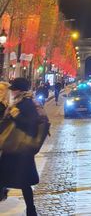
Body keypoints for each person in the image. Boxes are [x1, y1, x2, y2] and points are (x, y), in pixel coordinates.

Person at [0, 77, 39, 216]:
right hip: (14, 147)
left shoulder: (27, 103)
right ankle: (31, 211)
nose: (12, 92)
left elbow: (30, 123)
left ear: (19, 90)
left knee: (21, 180)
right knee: (18, 180)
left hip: (20, 148)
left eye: (14, 89)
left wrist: (16, 115)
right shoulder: (19, 102)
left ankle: (31, 211)